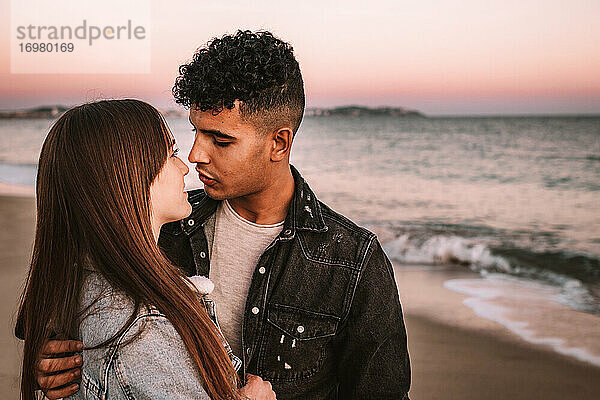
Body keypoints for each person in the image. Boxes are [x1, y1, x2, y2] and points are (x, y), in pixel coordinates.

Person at [32, 30, 411, 399]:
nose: (195, 154)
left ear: (278, 143)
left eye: (221, 139)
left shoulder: (352, 262)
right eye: (195, 131)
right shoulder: (159, 223)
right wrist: (58, 362)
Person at [16, 100, 275, 400]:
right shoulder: (141, 329)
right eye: (172, 154)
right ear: (127, 179)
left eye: (221, 140)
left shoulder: (88, 277)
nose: (187, 162)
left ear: (277, 143)